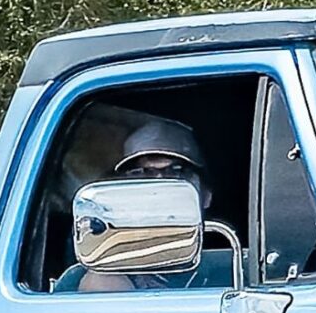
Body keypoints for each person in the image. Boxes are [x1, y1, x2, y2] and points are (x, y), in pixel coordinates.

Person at [75, 118, 218, 292]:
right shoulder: (109, 281)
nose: (159, 186)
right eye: (142, 174)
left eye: (177, 172)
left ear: (206, 195)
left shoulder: (236, 265)